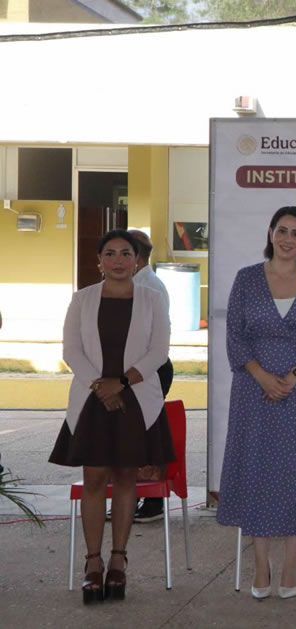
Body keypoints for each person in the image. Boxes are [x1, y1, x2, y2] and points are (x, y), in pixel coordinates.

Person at [49, 229, 174, 604]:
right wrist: (101, 386)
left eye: (125, 253)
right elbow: (71, 350)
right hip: (93, 399)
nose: (118, 260)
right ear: (99, 261)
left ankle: (119, 559)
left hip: (136, 398)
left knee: (125, 478)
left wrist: (119, 383)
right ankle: (93, 562)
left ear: (137, 261)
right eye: (110, 253)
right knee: (94, 479)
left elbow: (159, 351)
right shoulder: (82, 299)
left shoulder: (153, 299)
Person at [216, 206, 296, 600]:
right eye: (282, 230)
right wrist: (263, 376)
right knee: (257, 471)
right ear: (270, 233)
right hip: (253, 391)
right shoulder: (246, 278)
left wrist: (292, 377)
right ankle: (261, 564)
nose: (288, 239)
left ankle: (291, 564)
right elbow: (235, 336)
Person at [128, 229, 174, 523]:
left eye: (121, 253)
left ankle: (153, 500)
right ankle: (129, 496)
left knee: (147, 434)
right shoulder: (132, 283)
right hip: (132, 369)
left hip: (149, 368)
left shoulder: (149, 287)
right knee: (130, 434)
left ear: (136, 257)